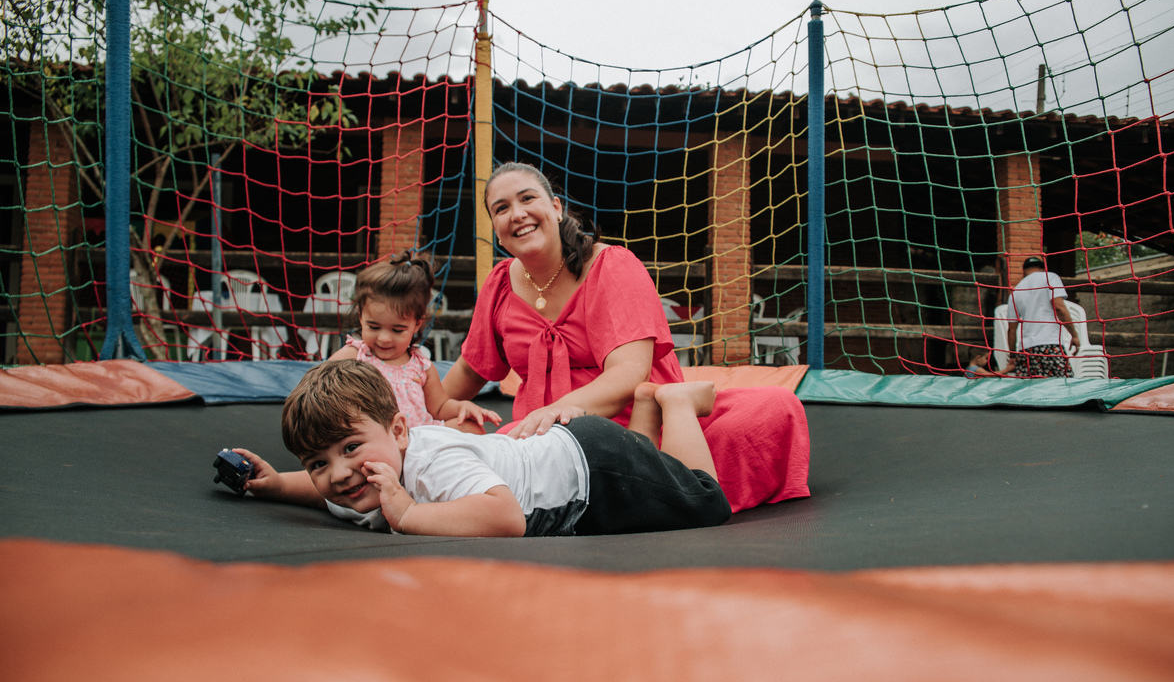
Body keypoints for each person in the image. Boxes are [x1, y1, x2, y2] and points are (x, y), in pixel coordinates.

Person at [439, 161, 810, 513]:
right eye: (501, 209)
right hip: (540, 435)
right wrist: (405, 407)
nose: (516, 214)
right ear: (496, 229)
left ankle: (675, 415)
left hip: (636, 427)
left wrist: (554, 412)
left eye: (527, 199)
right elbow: (469, 373)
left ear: (555, 207)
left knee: (776, 407)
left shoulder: (612, 265)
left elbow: (628, 373)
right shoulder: (500, 284)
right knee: (463, 444)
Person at [234, 359, 731, 537]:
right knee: (649, 479)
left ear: (401, 432)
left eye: (349, 448)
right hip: (571, 456)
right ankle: (643, 411)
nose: (339, 474)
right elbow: (321, 492)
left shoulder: (429, 464)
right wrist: (274, 485)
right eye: (318, 462)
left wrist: (407, 514)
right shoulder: (367, 480)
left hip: (594, 469)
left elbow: (505, 518)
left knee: (707, 503)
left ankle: (676, 402)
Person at [328, 251, 501, 433]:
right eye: (374, 327)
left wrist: (462, 407)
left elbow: (439, 408)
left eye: (397, 330)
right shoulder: (355, 356)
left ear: (416, 324)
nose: (384, 338)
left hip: (419, 437)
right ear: (360, 316)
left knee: (471, 428)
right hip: (376, 439)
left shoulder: (420, 365)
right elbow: (316, 389)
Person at [1006, 256, 1080, 378]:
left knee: (1032, 391)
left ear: (1023, 271)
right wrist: (1074, 335)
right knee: (1063, 387)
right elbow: (1059, 308)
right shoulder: (1050, 277)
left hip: (1026, 351)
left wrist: (1013, 355)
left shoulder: (1016, 291)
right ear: (1043, 268)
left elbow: (1011, 329)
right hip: (1049, 345)